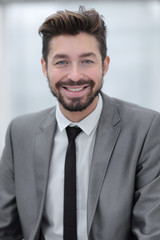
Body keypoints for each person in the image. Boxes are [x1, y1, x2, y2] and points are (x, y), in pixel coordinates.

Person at [0, 6, 160, 240]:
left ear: (104, 65)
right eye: (61, 62)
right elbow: (5, 231)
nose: (74, 75)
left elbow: (151, 233)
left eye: (86, 61)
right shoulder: (19, 133)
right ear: (45, 67)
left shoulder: (146, 129)